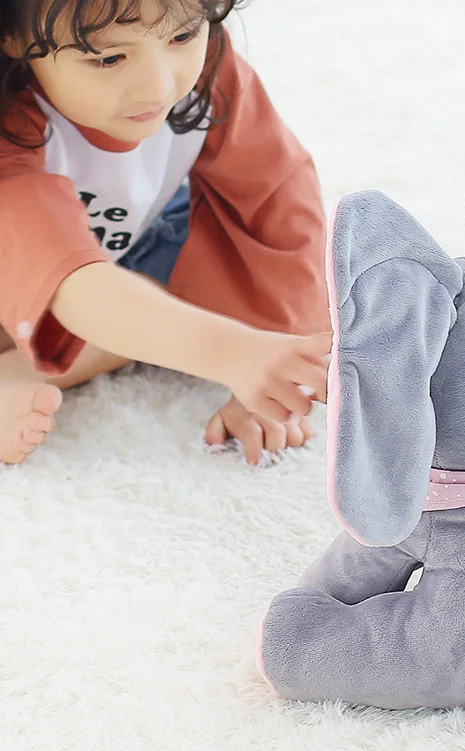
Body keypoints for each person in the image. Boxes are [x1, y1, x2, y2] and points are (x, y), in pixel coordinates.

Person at [0, 0, 332, 466]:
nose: (159, 87)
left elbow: (275, 201)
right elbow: (69, 284)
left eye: (182, 36)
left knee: (217, 264)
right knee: (112, 306)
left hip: (114, 243)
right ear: (11, 36)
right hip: (37, 264)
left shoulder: (210, 69)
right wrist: (233, 352)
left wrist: (280, 364)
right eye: (108, 58)